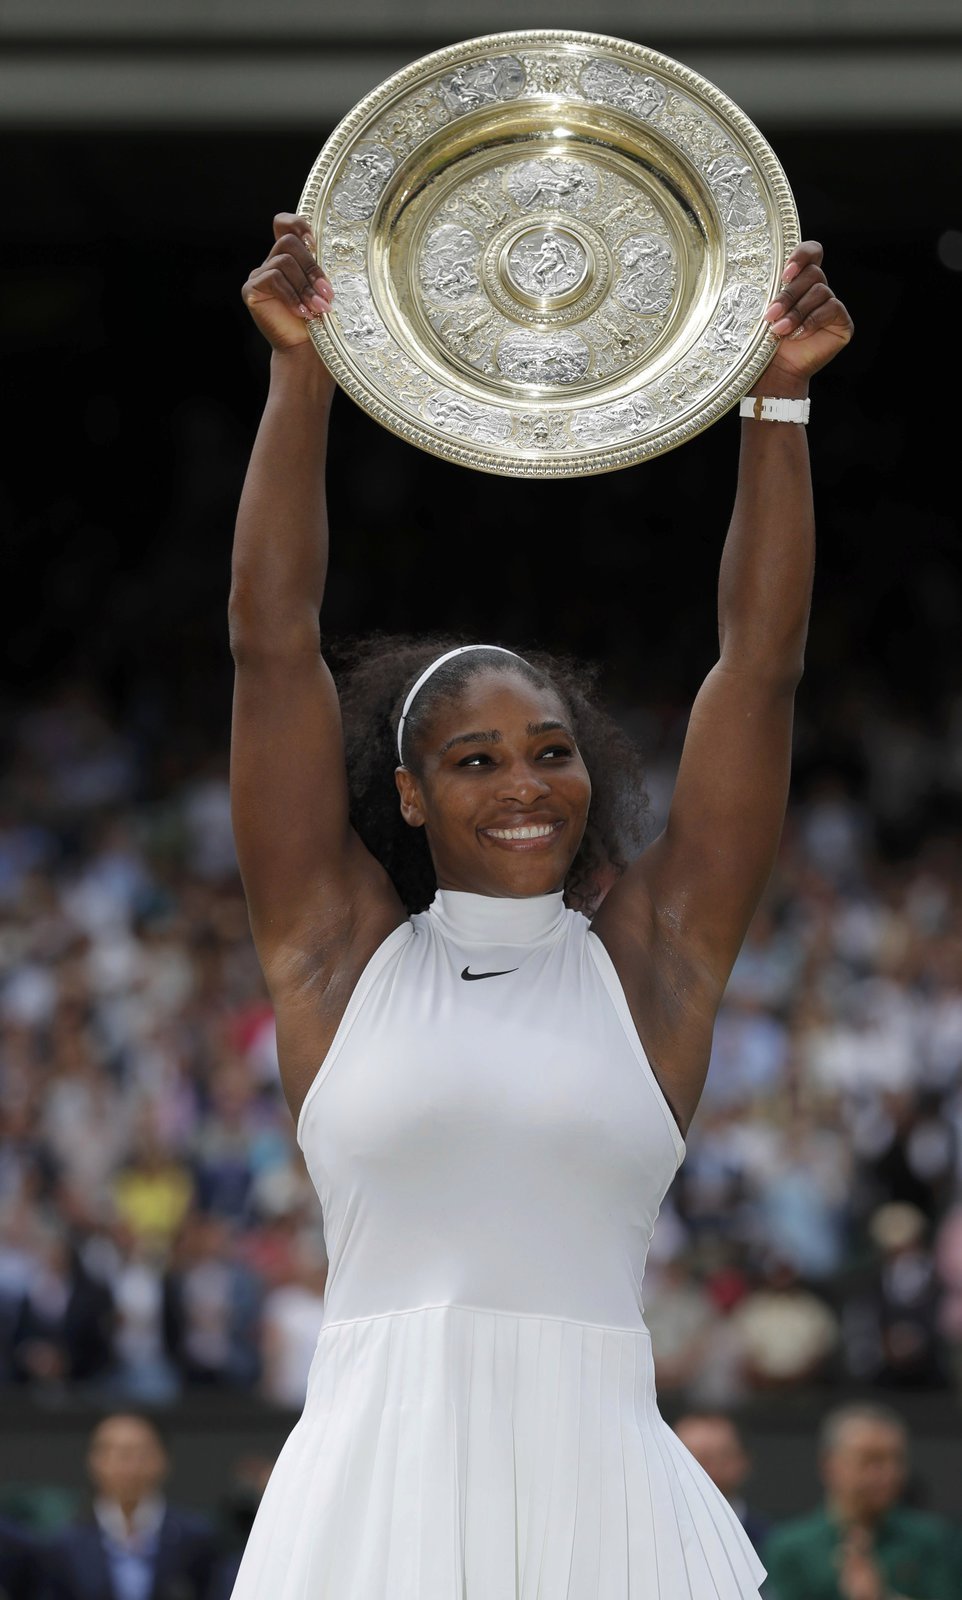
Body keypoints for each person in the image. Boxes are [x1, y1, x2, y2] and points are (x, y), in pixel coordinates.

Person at [224, 208, 853, 1598]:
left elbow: (756, 669)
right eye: (476, 760)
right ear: (406, 794)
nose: (526, 785)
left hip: (610, 1513)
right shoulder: (332, 956)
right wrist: (299, 372)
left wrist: (778, 400)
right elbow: (271, 649)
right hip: (366, 1512)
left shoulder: (653, 966)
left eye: (551, 752)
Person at [762, 1401, 962, 1600]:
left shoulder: (934, 1541)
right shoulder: (790, 1549)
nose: (889, 1474)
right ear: (830, 1466)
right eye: (872, 1461)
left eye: (898, 1459)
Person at [39, 1410, 222, 1600]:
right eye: (118, 1454)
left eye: (141, 1453)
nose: (130, 1466)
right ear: (94, 1461)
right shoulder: (66, 1543)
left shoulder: (195, 1538)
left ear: (163, 1460)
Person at [672, 1411, 772, 1556]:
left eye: (715, 1459)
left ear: (743, 1461)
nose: (700, 1472)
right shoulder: (642, 1538)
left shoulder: (772, 1543)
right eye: (684, 1460)